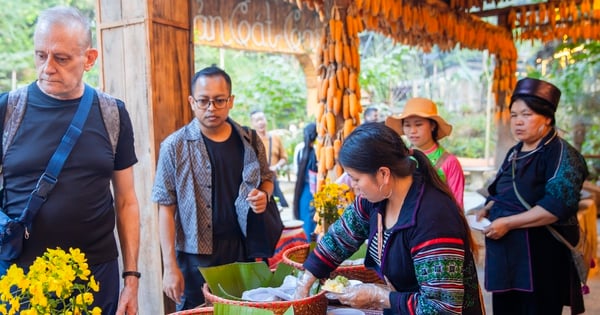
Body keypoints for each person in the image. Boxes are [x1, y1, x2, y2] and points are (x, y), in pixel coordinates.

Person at [0, 6, 140, 314]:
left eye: (61, 58)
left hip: (94, 278)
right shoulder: (8, 110)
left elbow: (127, 201)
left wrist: (131, 279)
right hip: (20, 276)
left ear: (89, 59)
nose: (48, 67)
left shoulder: (113, 113)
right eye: (40, 55)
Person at [295, 123, 484, 315]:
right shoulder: (375, 199)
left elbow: (441, 308)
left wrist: (380, 296)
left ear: (383, 174)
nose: (353, 186)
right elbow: (339, 238)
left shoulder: (433, 218)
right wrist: (307, 279)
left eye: (356, 179)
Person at [152, 66, 275, 311]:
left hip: (242, 250)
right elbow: (165, 208)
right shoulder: (173, 146)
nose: (211, 108)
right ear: (191, 101)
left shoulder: (249, 140)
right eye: (204, 101)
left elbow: (267, 178)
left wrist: (264, 194)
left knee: (243, 311)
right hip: (195, 258)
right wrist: (169, 266)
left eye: (219, 100)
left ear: (231, 101)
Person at [474, 78, 588, 315]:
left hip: (542, 257)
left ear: (547, 117)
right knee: (506, 309)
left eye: (526, 114)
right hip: (507, 255)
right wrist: (489, 207)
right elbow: (505, 188)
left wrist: (508, 222)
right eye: (514, 115)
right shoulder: (515, 152)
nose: (518, 122)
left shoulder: (563, 155)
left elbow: (556, 207)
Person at [386, 97, 465, 208]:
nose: (412, 131)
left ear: (432, 125)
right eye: (407, 125)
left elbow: (457, 206)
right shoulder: (399, 158)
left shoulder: (449, 162)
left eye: (418, 124)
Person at [250, 110, 289, 207]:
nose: (260, 123)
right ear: (252, 123)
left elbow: (284, 158)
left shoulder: (275, 138)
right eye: (257, 120)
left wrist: (276, 166)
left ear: (266, 120)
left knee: (279, 207)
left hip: (273, 180)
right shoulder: (250, 141)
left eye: (262, 119)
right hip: (258, 184)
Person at [292, 123, 318, 239]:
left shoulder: (300, 149)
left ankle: (305, 247)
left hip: (304, 190)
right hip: (318, 189)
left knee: (306, 221)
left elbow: (296, 170)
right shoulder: (319, 149)